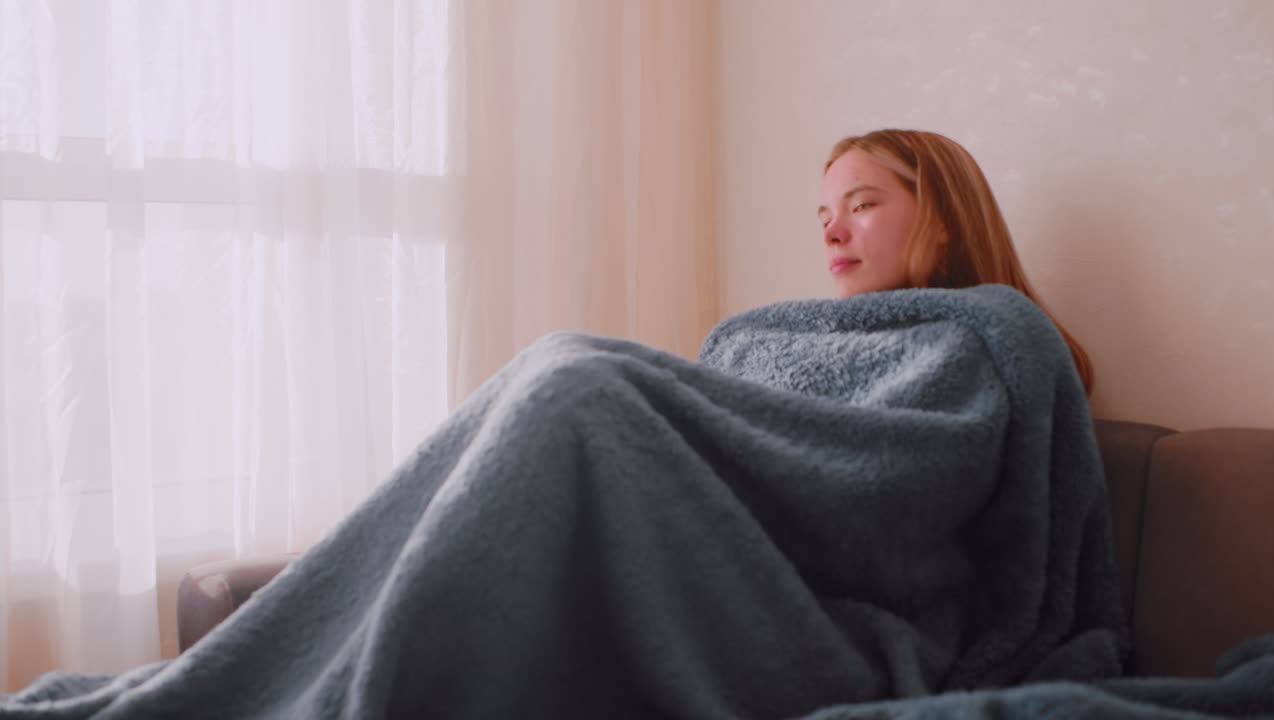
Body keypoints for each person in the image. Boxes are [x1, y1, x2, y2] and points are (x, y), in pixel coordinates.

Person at [0, 130, 1128, 719]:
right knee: (564, 372)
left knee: (577, 383)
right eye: (820, 213)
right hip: (701, 576)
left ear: (942, 214)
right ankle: (251, 682)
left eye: (865, 203)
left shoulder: (985, 337)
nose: (831, 232)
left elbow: (878, 491)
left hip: (826, 628)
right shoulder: (778, 335)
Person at [818, 129, 1092, 392]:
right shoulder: (823, 347)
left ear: (943, 220)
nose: (831, 233)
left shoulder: (979, 353)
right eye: (825, 218)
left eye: (861, 205)